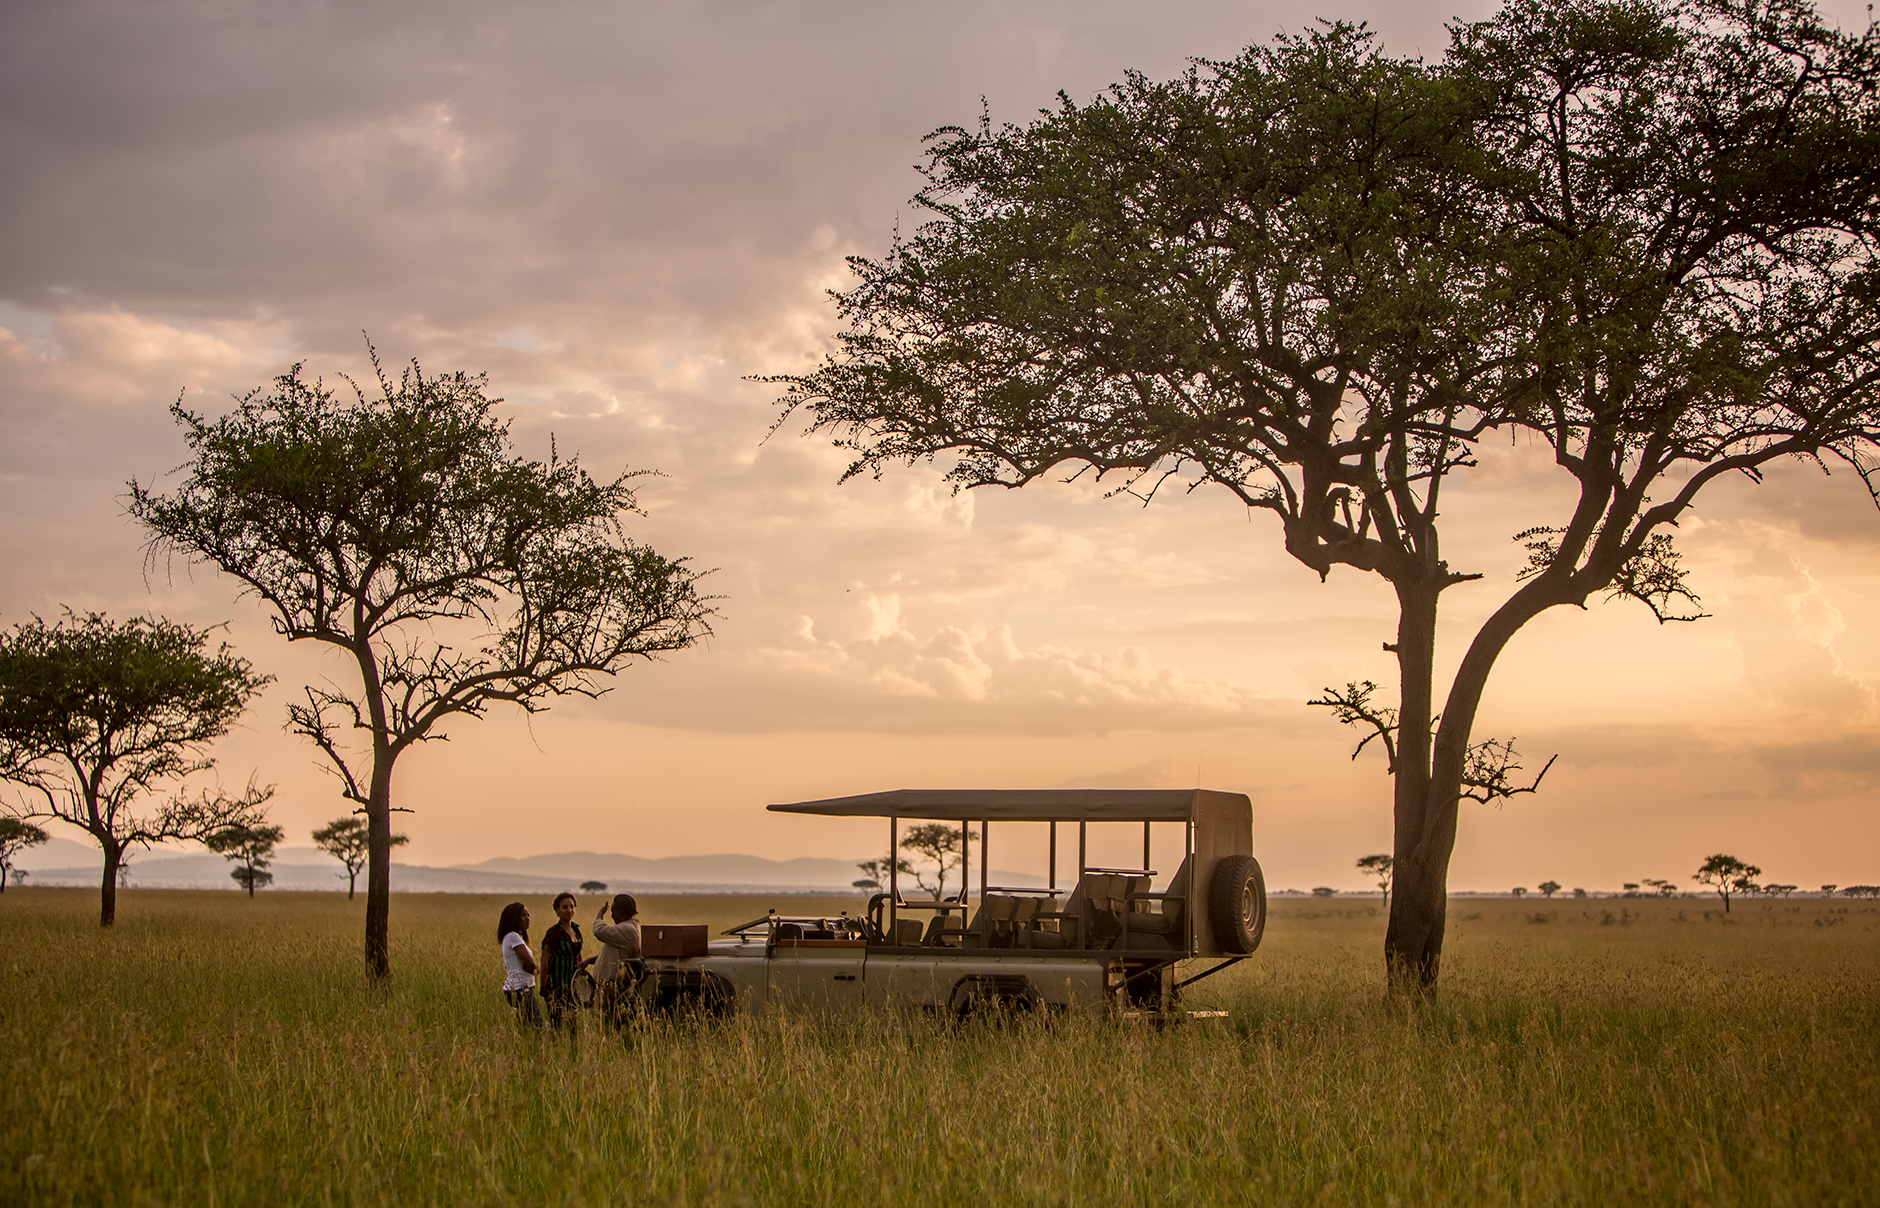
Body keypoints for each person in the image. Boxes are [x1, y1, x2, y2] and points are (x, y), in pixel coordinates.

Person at [538, 891, 594, 1029]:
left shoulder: (576, 930)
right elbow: (544, 961)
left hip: (573, 987)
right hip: (557, 986)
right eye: (565, 907)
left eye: (572, 906)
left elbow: (578, 955)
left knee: (574, 1025)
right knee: (558, 1025)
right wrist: (544, 987)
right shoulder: (553, 933)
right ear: (557, 910)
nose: (569, 910)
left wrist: (582, 978)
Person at [592, 893, 641, 1025]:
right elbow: (615, 955)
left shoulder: (627, 930)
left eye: (613, 912)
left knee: (606, 1026)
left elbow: (599, 931)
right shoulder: (626, 930)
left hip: (612, 989)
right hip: (608, 988)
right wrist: (590, 961)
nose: (612, 915)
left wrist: (600, 915)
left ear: (620, 912)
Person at [496, 901, 543, 1027]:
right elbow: (529, 963)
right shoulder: (513, 936)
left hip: (518, 988)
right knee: (539, 1027)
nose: (527, 918)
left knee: (526, 1028)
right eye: (523, 915)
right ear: (513, 918)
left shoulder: (513, 937)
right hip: (521, 989)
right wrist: (536, 969)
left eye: (528, 915)